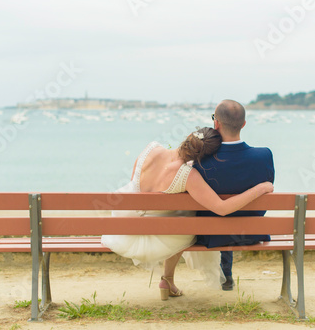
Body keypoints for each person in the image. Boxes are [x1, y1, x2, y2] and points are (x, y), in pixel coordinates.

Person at [101, 126, 273, 300]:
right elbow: (222, 208)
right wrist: (260, 188)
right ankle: (167, 278)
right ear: (205, 157)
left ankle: (168, 281)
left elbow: (134, 188)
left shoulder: (151, 149)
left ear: (189, 137)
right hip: (156, 239)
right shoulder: (188, 175)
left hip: (124, 227)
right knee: (185, 223)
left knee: (178, 218)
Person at [194, 99, 275, 291]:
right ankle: (226, 275)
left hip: (209, 235)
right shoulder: (264, 155)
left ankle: (225, 276)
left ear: (216, 124)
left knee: (219, 218)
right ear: (244, 124)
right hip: (251, 232)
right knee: (233, 216)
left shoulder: (201, 159)